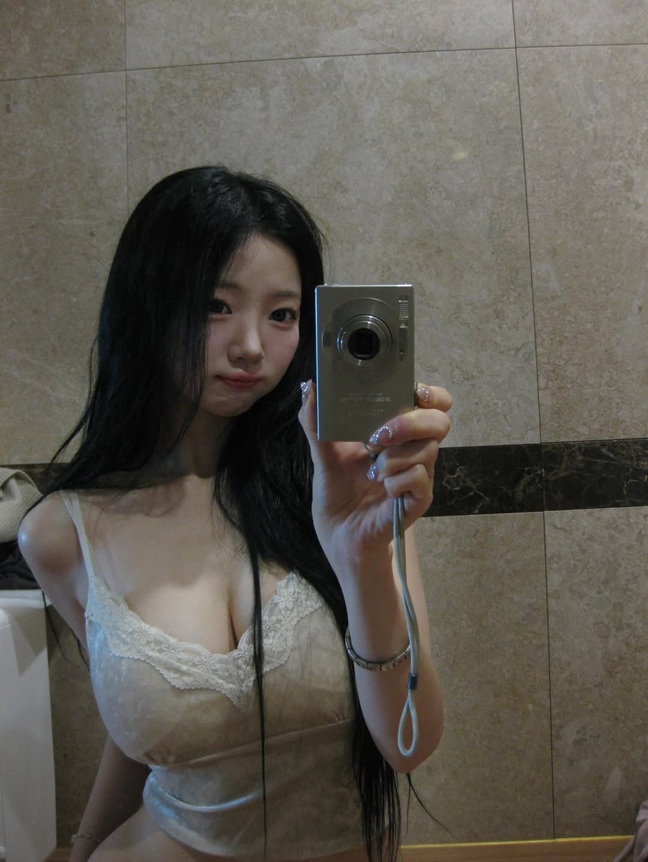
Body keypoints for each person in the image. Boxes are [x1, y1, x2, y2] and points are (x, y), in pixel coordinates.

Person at [18, 166, 452, 862]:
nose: (251, 345)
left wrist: (363, 557)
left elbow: (409, 743)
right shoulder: (62, 533)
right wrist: (83, 845)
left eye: (282, 315)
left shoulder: (345, 487)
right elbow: (150, 724)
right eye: (216, 305)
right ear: (146, 305)